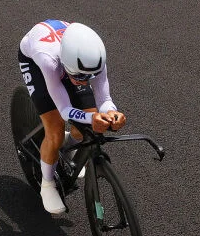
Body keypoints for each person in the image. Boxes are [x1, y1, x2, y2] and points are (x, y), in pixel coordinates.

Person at [18, 20, 126, 215]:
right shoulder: (47, 60)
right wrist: (91, 118)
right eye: (80, 76)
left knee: (87, 123)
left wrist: (112, 112)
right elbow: (64, 109)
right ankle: (47, 183)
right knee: (55, 131)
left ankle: (67, 149)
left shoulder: (94, 60)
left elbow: (105, 99)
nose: (84, 81)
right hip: (36, 63)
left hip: (68, 61)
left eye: (90, 76)